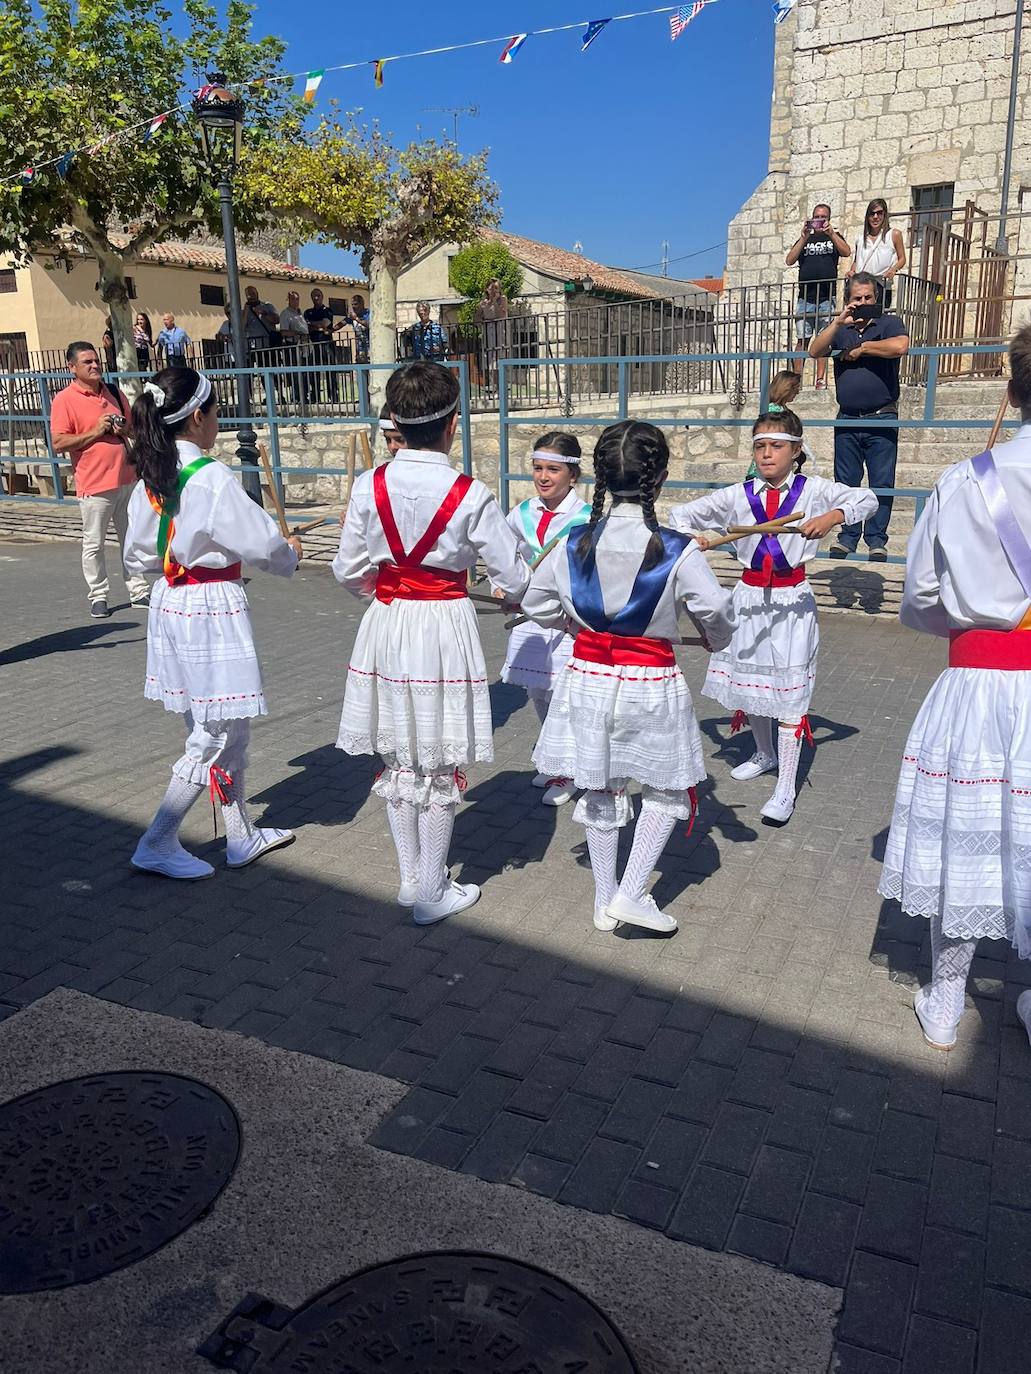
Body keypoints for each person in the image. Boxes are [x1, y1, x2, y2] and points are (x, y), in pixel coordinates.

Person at [333, 362, 530, 926]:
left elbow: (347, 571)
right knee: (438, 760)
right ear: (452, 423)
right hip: (443, 624)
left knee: (398, 756)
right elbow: (513, 579)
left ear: (396, 421)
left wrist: (389, 583)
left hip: (388, 620)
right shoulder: (470, 493)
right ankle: (431, 888)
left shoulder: (368, 484)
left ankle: (410, 878)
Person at [878, 324, 1031, 1052]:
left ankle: (943, 998)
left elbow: (918, 598)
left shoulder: (964, 481)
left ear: (1011, 389)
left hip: (978, 679)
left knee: (966, 841)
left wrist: (976, 621)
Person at [523, 420, 735, 934]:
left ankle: (604, 900)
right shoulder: (677, 548)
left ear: (596, 477)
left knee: (600, 784)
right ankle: (633, 893)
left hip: (587, 674)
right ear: (658, 477)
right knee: (666, 788)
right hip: (649, 681)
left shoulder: (572, 542)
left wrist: (577, 623)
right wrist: (712, 637)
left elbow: (535, 604)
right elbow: (718, 614)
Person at [123, 366, 302, 880]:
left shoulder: (151, 476)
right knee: (215, 732)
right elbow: (264, 547)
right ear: (198, 417)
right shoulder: (212, 477)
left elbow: (138, 556)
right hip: (209, 608)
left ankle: (240, 832)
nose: (219, 419)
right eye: (216, 410)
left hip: (172, 601)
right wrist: (288, 554)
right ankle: (158, 838)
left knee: (223, 725)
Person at [668, 409, 877, 824]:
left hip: (791, 602)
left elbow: (866, 499)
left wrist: (832, 517)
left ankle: (786, 786)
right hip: (747, 599)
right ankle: (764, 754)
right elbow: (681, 516)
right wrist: (695, 540)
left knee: (788, 698)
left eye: (776, 446)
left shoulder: (814, 491)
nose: (766, 454)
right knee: (754, 686)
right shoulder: (739, 495)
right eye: (760, 445)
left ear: (796, 450)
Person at [499, 432, 591, 807]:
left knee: (565, 694)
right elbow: (503, 555)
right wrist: (503, 588)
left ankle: (570, 769)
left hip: (569, 621)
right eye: (538, 468)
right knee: (538, 691)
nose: (543, 476)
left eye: (553, 469)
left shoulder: (588, 517)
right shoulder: (521, 513)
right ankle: (555, 758)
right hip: (531, 621)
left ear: (573, 474)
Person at [808, 271, 910, 561]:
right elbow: (815, 351)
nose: (863, 302)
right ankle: (848, 536)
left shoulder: (888, 323)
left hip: (882, 416)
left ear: (876, 298)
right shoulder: (842, 328)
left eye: (868, 297)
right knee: (846, 482)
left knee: (881, 482)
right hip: (848, 418)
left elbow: (901, 346)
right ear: (847, 300)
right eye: (857, 298)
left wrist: (863, 348)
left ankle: (876, 539)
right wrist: (839, 321)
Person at [49, 341, 150, 617]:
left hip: (127, 479)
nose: (94, 366)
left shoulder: (114, 392)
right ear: (72, 367)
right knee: (94, 543)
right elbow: (59, 442)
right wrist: (96, 431)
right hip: (94, 485)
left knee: (131, 538)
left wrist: (122, 428)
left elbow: (134, 431)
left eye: (96, 361)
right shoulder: (64, 400)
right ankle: (98, 595)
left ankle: (138, 590)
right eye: (87, 363)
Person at [785, 203, 850, 390]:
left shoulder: (834, 237)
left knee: (823, 339)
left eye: (823, 217)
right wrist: (803, 237)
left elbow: (846, 252)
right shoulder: (805, 239)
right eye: (816, 217)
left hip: (826, 296)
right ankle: (795, 381)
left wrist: (831, 234)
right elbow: (789, 260)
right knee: (802, 339)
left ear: (828, 219)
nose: (819, 220)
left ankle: (820, 379)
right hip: (805, 297)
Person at [846, 199, 906, 309]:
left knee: (879, 318)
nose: (875, 217)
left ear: (884, 215)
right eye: (872, 214)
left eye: (879, 213)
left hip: (881, 283)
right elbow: (857, 260)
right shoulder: (860, 238)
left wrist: (893, 269)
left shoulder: (894, 234)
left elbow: (902, 258)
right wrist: (852, 271)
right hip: (862, 284)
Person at [746, 370, 803, 479]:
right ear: (787, 389)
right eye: (796, 388)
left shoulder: (779, 409)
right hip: (767, 472)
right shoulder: (774, 411)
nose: (797, 392)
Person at [350, 293, 370, 363]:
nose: (353, 307)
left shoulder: (368, 313)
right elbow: (342, 323)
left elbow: (369, 324)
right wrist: (330, 330)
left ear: (362, 304)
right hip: (360, 350)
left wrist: (356, 319)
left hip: (370, 348)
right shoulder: (353, 316)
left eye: (355, 304)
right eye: (352, 305)